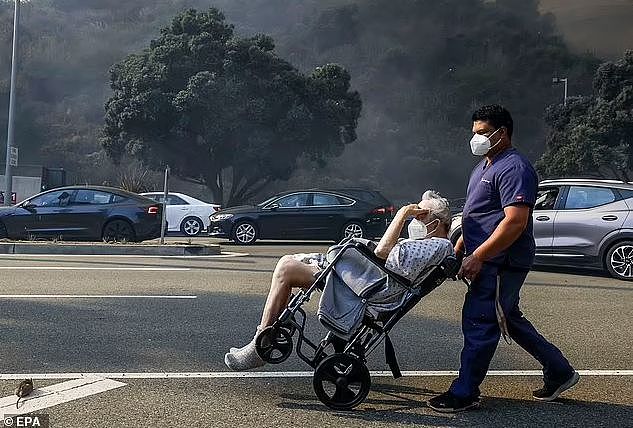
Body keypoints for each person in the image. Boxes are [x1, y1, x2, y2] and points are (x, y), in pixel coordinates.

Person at [428, 105, 579, 413]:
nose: (477, 139)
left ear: (503, 132)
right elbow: (479, 214)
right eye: (475, 134)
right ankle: (560, 371)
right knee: (507, 318)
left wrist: (479, 256)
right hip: (487, 258)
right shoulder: (485, 165)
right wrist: (460, 246)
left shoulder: (514, 168)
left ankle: (465, 391)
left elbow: (514, 222)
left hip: (501, 263)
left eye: (483, 133)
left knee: (481, 320)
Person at [225, 190, 454, 371]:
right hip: (367, 278)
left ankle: (260, 345)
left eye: (420, 215)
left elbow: (382, 253)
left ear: (435, 220)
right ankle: (269, 332)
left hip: (368, 287)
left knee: (286, 268)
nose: (416, 219)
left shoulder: (437, 245)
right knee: (291, 260)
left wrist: (402, 214)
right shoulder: (431, 245)